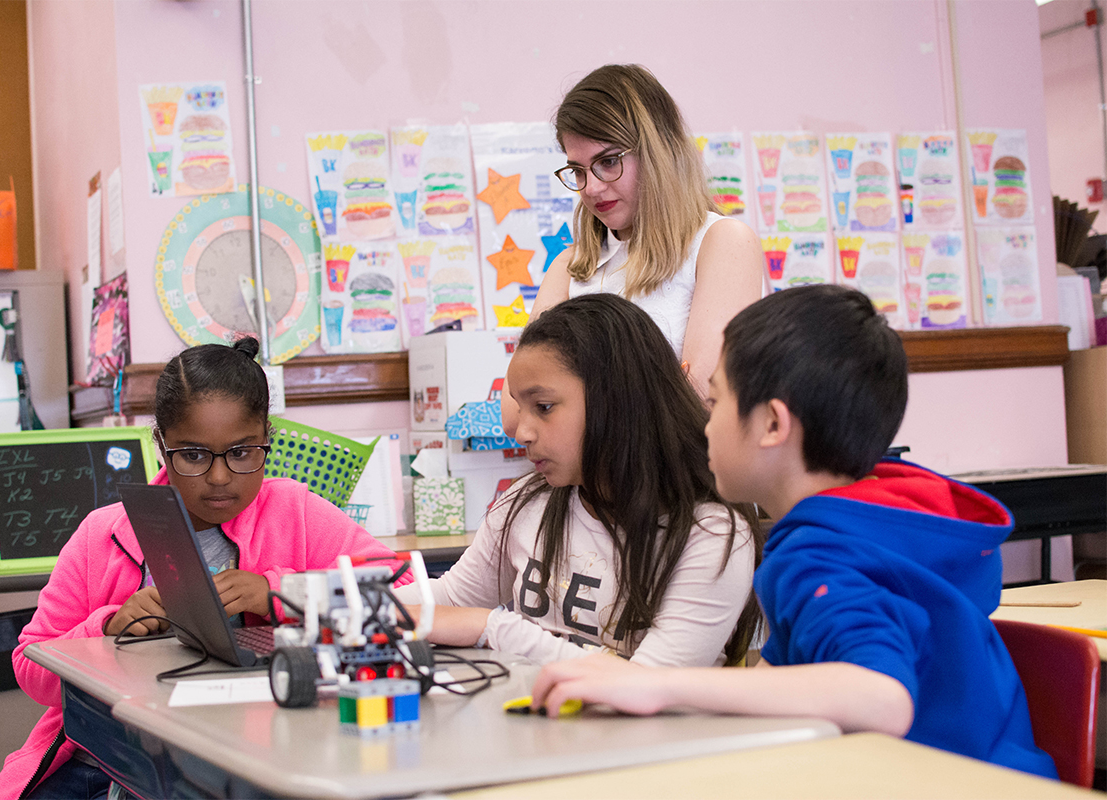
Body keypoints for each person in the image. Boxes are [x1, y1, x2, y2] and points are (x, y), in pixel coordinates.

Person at [529, 285, 1058, 779]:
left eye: (716, 403)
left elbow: (884, 697)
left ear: (774, 426)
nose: (704, 424)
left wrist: (653, 683)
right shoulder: (876, 522)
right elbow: (788, 682)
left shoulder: (820, 555)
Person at [0, 337, 410, 800]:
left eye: (242, 452)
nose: (220, 476)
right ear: (161, 446)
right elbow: (31, 669)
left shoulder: (295, 512)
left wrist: (281, 591)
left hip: (239, 757)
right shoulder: (104, 534)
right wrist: (106, 626)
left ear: (266, 437)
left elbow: (402, 589)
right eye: (193, 455)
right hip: (100, 761)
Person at [397, 294, 762, 668]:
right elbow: (455, 598)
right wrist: (359, 604)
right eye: (520, 409)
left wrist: (496, 628)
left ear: (615, 399)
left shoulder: (711, 534)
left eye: (543, 407)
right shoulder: (528, 501)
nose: (522, 432)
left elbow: (649, 685)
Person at [503, 63, 763, 437]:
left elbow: (701, 402)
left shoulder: (722, 242)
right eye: (577, 170)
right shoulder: (571, 265)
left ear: (659, 152)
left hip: (682, 489)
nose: (591, 187)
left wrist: (565, 402)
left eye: (608, 162)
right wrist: (657, 385)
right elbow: (516, 416)